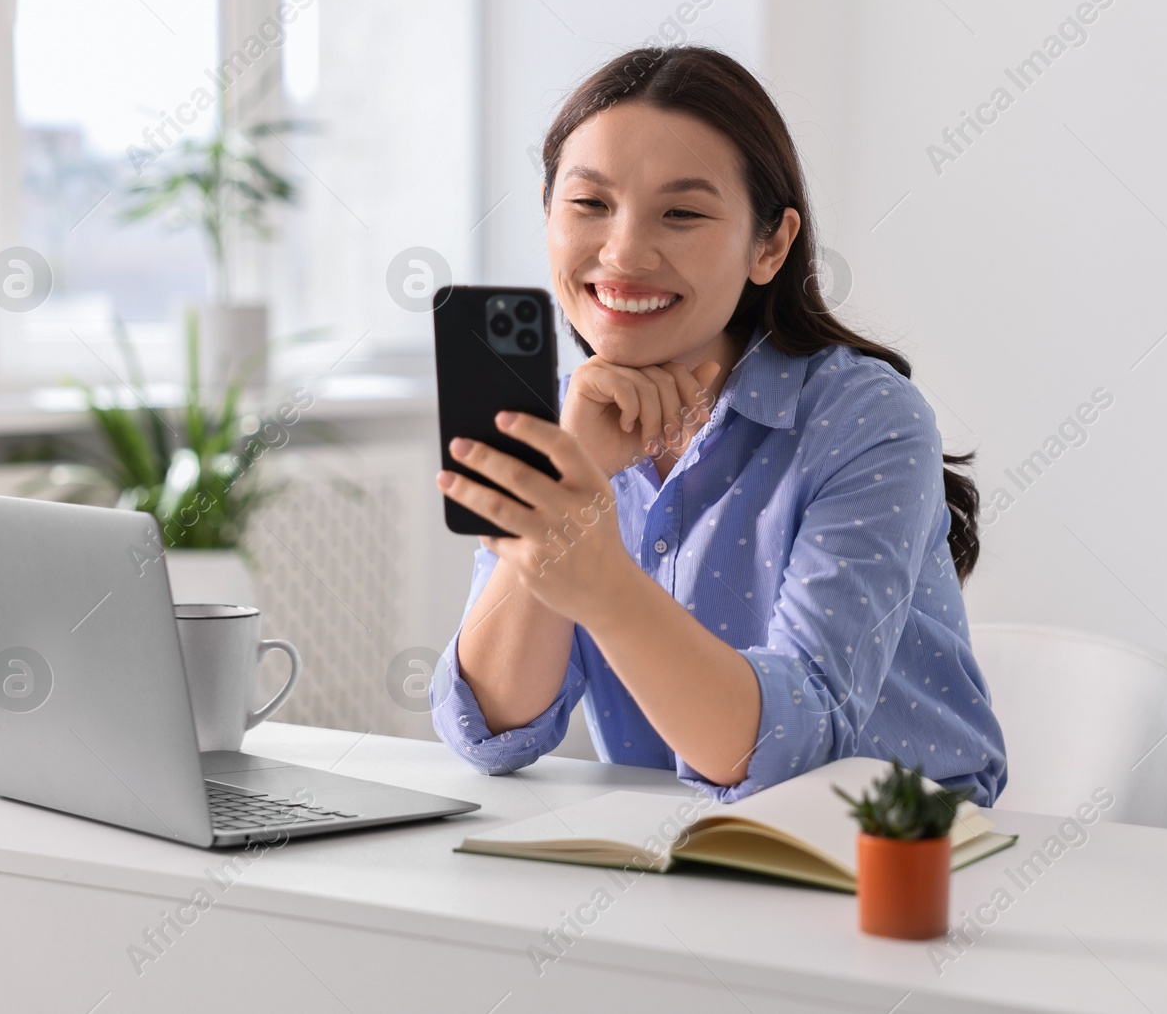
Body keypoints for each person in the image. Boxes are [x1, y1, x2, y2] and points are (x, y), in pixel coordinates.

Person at [429, 44, 1006, 806]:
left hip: (894, 870)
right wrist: (572, 470)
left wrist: (602, 583)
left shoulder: (867, 420)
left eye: (683, 213)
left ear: (769, 245)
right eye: (589, 204)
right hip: (681, 865)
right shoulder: (564, 416)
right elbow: (492, 727)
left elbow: (793, 746)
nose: (624, 251)